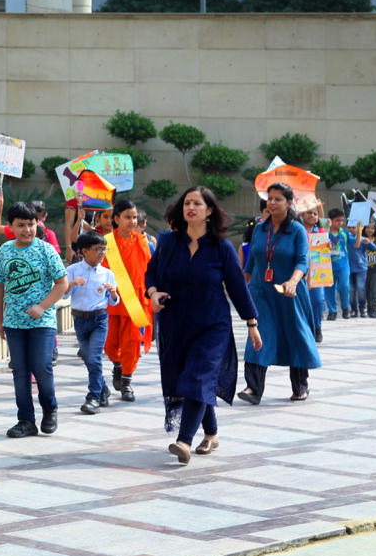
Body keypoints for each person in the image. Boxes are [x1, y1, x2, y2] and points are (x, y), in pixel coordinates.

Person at [146, 187, 260, 464]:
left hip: (212, 325)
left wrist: (252, 322)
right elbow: (151, 271)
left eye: (197, 203)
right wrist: (152, 293)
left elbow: (237, 287)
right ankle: (211, 433)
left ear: (210, 211)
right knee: (188, 379)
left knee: (197, 376)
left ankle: (184, 441)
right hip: (175, 322)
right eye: (187, 203)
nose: (191, 207)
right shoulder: (168, 242)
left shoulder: (221, 248)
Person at [238, 183, 321, 404]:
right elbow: (251, 263)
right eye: (270, 198)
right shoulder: (259, 229)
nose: (272, 203)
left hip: (288, 293)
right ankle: (253, 388)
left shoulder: (297, 230)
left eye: (278, 199)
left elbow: (303, 261)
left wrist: (293, 282)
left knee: (295, 334)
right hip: (261, 292)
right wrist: (239, 287)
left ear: (289, 202)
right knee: (259, 334)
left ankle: (300, 386)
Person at [0, 199, 69, 438]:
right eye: (21, 225)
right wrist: (0, 320)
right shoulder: (4, 250)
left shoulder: (46, 249)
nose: (26, 229)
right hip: (14, 323)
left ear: (38, 223)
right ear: (11, 226)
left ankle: (50, 409)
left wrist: (42, 306)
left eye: (31, 224)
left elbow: (62, 283)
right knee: (20, 372)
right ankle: (26, 420)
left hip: (42, 323)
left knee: (41, 367)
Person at [63, 230, 120, 415]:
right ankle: (102, 388)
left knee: (94, 358)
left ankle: (93, 397)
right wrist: (70, 285)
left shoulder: (108, 274)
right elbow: (63, 295)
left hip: (100, 319)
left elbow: (114, 301)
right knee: (88, 359)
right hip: (80, 320)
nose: (103, 253)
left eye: (104, 249)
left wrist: (112, 293)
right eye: (98, 249)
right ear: (85, 251)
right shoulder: (72, 270)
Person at [102, 200, 153, 402]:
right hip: (113, 299)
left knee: (132, 343)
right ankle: (117, 365)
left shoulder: (144, 242)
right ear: (117, 219)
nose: (132, 221)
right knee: (109, 343)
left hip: (136, 301)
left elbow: (152, 270)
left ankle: (126, 383)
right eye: (127, 217)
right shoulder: (106, 243)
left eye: (134, 217)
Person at [299, 207, 326, 342]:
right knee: (301, 301)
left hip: (317, 271)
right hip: (299, 271)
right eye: (309, 213)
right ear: (302, 214)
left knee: (317, 300)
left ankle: (317, 327)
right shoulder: (297, 230)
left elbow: (326, 252)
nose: (313, 216)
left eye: (315, 214)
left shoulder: (321, 232)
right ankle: (304, 328)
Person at [325, 208, 353, 320]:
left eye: (342, 220)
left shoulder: (345, 232)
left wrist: (360, 233)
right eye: (337, 220)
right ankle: (332, 311)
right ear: (330, 221)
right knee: (330, 290)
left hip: (343, 266)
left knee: (344, 287)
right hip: (328, 266)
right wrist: (327, 228)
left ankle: (346, 308)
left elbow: (355, 244)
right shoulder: (325, 232)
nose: (340, 223)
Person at [346, 222, 370, 318]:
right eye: (349, 227)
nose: (351, 229)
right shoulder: (346, 239)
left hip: (361, 268)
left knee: (361, 288)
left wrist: (369, 243)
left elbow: (375, 248)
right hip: (349, 268)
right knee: (351, 290)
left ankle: (363, 307)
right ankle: (353, 309)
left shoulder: (363, 239)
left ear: (359, 228)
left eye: (353, 227)